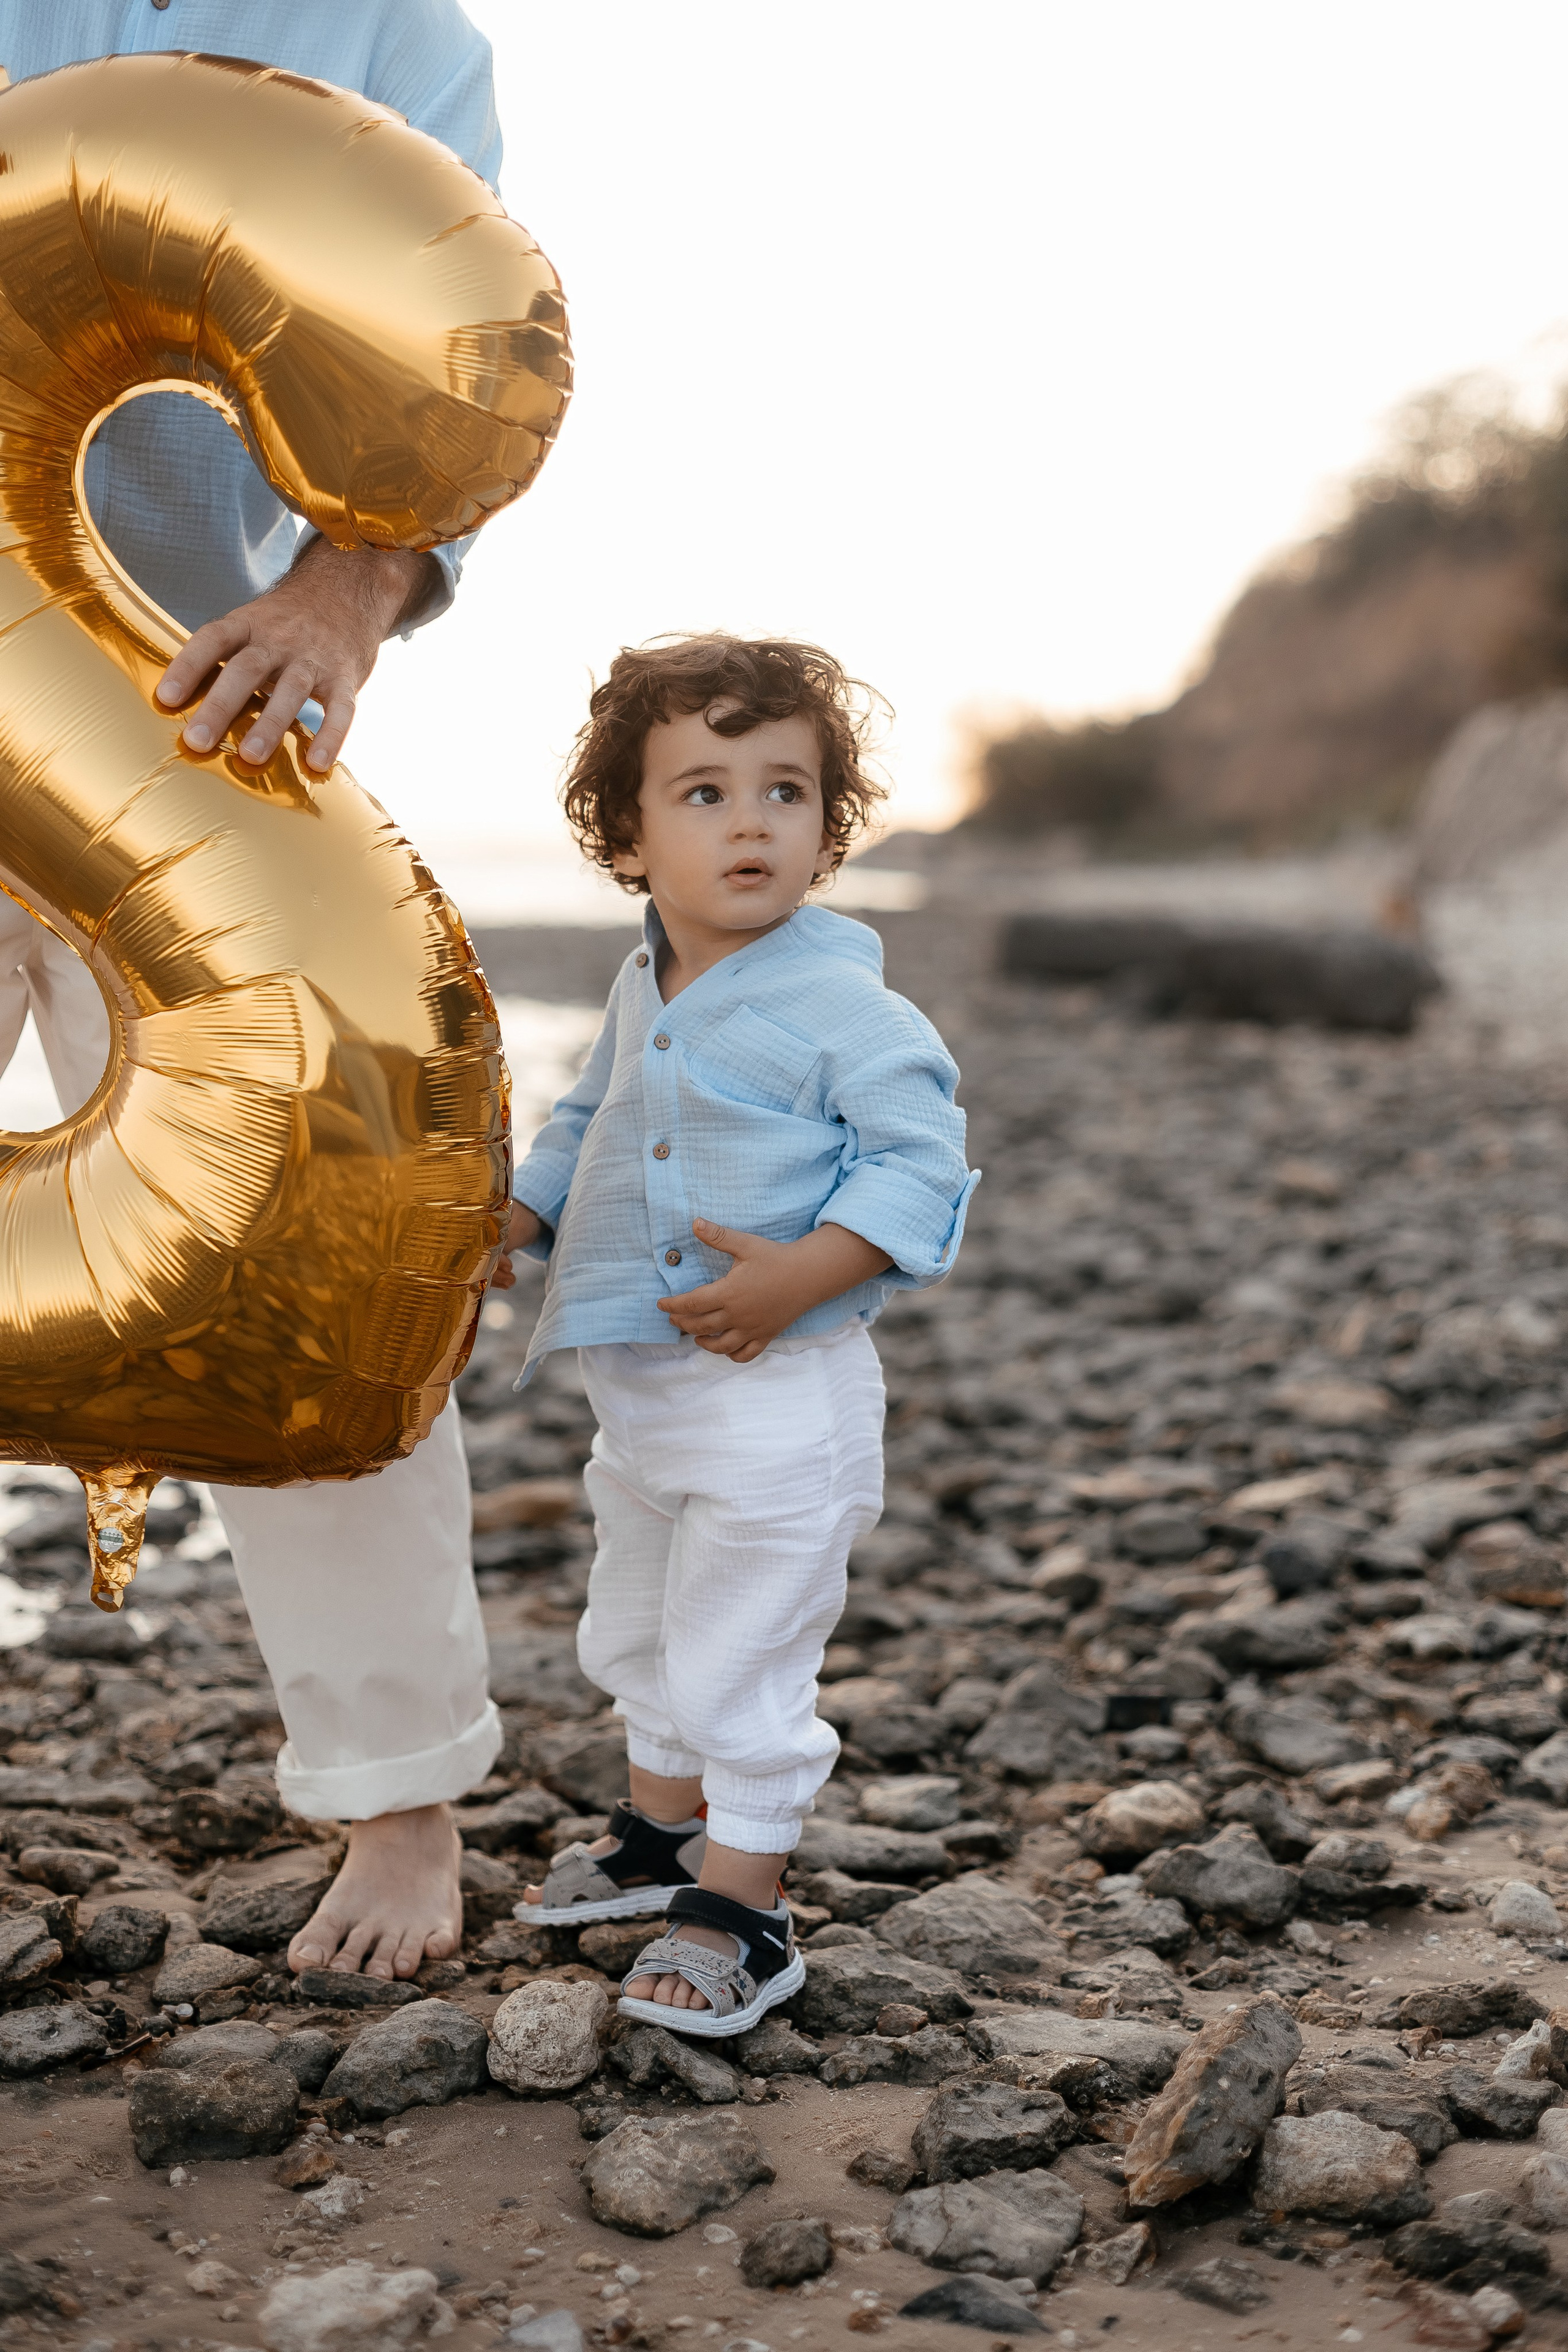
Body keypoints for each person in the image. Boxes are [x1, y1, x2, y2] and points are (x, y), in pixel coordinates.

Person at [0, 1, 508, 1981]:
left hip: (195, 736)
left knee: (324, 1252)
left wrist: (339, 601)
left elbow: (449, 360)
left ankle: (401, 1802)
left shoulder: (393, 30)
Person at [496, 635, 978, 2034]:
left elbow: (917, 1160)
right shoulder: (643, 983)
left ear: (826, 829)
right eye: (702, 793)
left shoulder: (844, 1002)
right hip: (640, 1398)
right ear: (626, 838)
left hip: (778, 1396)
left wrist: (807, 1272)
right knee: (636, 1631)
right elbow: (585, 1118)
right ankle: (659, 1839)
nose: (749, 820)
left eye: (785, 790)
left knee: (740, 1658)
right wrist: (516, 1217)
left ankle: (744, 1906)